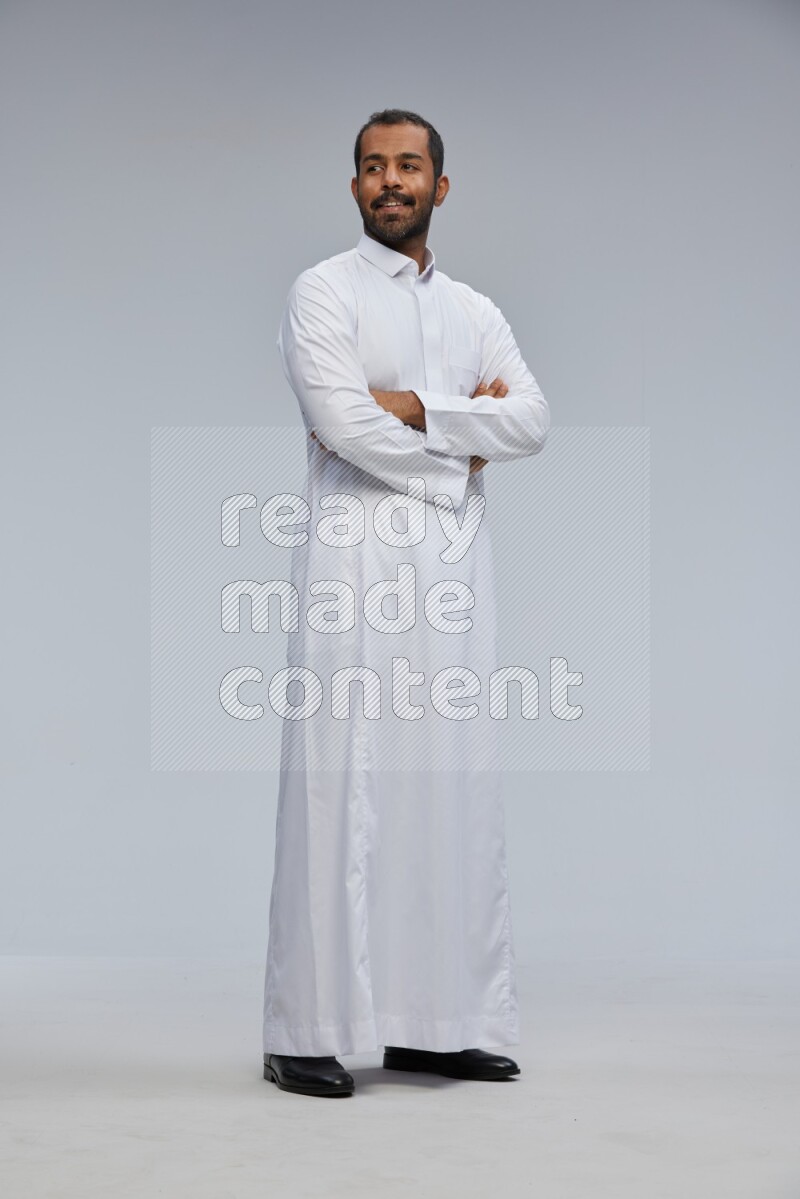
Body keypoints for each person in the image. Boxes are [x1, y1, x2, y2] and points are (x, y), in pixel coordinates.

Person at [262, 109, 550, 1097]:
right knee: (338, 784)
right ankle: (303, 1025)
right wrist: (454, 456)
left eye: (409, 165)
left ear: (440, 185)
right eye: (373, 167)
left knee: (447, 785)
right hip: (352, 564)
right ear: (353, 188)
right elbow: (339, 420)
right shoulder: (322, 292)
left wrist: (422, 406)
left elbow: (533, 418)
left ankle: (435, 1022)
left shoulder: (473, 309)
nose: (391, 180)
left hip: (452, 575)